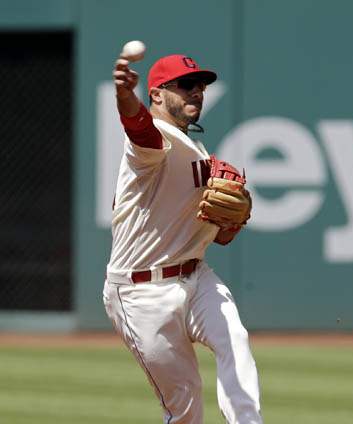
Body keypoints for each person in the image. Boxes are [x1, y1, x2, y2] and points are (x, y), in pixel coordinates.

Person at [103, 51, 263, 424]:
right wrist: (126, 98)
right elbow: (139, 128)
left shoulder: (193, 146)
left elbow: (214, 226)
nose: (197, 92)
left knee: (234, 341)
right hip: (142, 292)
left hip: (195, 276)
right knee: (185, 406)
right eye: (186, 85)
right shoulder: (153, 142)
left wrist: (225, 222)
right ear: (157, 94)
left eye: (201, 86)